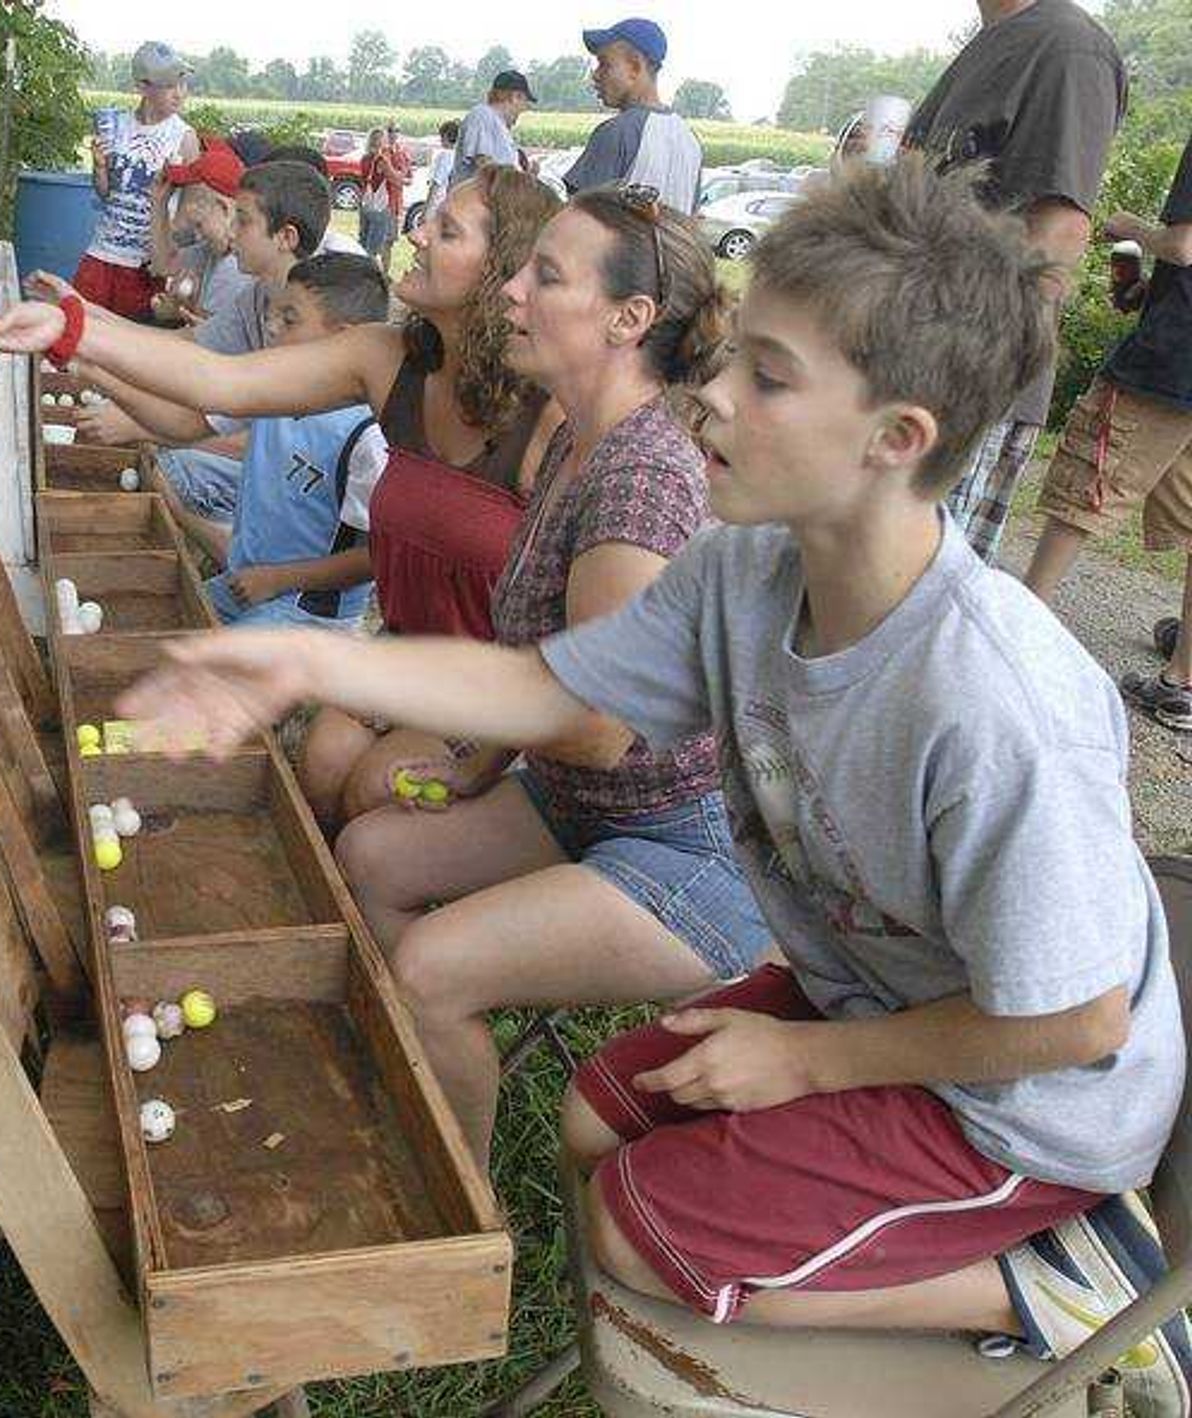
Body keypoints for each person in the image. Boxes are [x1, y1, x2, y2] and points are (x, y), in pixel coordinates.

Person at [107, 159, 1191, 1410]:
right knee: (589, 1121)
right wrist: (300, 655)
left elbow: (1076, 1024)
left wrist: (807, 1066)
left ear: (897, 441)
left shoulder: (994, 700)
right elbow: (545, 693)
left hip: (1017, 1107)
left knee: (633, 1230)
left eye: (767, 377)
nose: (713, 392)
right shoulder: (744, 575)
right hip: (875, 992)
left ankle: (1067, 1279)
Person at [332, 186, 770, 1169]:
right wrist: (477, 767)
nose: (513, 291)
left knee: (433, 965)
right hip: (585, 805)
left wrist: (417, 692)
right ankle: (411, 1086)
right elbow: (552, 674)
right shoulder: (578, 433)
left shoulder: (641, 476)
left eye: (545, 277)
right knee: (370, 854)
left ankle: (456, 1211)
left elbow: (599, 723)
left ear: (630, 320)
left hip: (691, 848)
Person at [0, 168, 565, 826]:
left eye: (446, 230)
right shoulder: (386, 359)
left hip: (490, 678)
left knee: (369, 794)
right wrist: (71, 331)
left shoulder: (547, 418)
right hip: (402, 650)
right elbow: (219, 383)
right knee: (322, 769)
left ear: (502, 271)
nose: (415, 235)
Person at [906, 0, 1127, 564]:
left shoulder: (1067, 48)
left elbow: (1057, 235)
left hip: (965, 383)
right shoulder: (992, 39)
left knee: (912, 609)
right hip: (907, 362)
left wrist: (965, 374)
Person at [106, 254, 391, 629]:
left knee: (202, 672)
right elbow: (184, 421)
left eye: (289, 320)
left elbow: (376, 556)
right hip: (248, 584)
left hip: (308, 608)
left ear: (344, 340)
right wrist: (100, 372)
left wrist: (277, 579)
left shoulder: (368, 438)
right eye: (274, 316)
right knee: (165, 632)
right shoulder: (276, 388)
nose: (272, 328)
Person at [1024, 133, 1192, 734]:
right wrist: (1155, 292)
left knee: (1087, 487)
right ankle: (1181, 683)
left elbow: (1184, 243)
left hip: (1171, 364)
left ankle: (1014, 644)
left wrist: (1125, 225)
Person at [72, 160, 333, 524]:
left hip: (298, 499)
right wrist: (84, 319)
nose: (233, 230)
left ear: (285, 237)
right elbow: (184, 343)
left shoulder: (312, 327)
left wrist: (139, 423)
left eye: (243, 220)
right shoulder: (259, 296)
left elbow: (263, 444)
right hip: (260, 463)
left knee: (168, 468)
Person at [77, 41, 202, 320]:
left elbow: (188, 212)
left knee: (128, 350)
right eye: (170, 85)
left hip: (144, 266)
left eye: (183, 83)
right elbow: (106, 194)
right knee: (81, 338)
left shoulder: (184, 137)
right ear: (143, 87)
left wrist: (164, 254)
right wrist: (99, 168)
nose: (179, 93)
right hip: (101, 254)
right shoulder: (116, 125)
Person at [562, 18, 703, 215]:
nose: (595, 75)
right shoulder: (690, 140)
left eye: (604, 64)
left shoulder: (616, 132)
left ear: (635, 67)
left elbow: (578, 220)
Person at [148, 143, 253, 327]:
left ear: (225, 208)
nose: (187, 209)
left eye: (199, 224)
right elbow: (163, 265)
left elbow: (207, 342)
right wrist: (159, 203)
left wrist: (175, 311)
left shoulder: (235, 266)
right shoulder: (212, 248)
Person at [452, 70, 535, 186]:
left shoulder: (499, 125)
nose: (524, 108)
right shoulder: (482, 115)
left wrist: (526, 178)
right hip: (473, 203)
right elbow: (485, 164)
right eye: (525, 102)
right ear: (515, 97)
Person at [361, 124, 413, 275]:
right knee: (374, 249)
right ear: (382, 141)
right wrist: (403, 173)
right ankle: (369, 280)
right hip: (381, 207)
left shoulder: (365, 158)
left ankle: (359, 276)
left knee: (364, 244)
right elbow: (396, 179)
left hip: (366, 205)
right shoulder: (382, 159)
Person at [425, 119, 461, 222]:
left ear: (445, 136)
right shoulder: (459, 156)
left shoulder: (445, 156)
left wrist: (426, 210)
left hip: (437, 206)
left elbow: (436, 184)